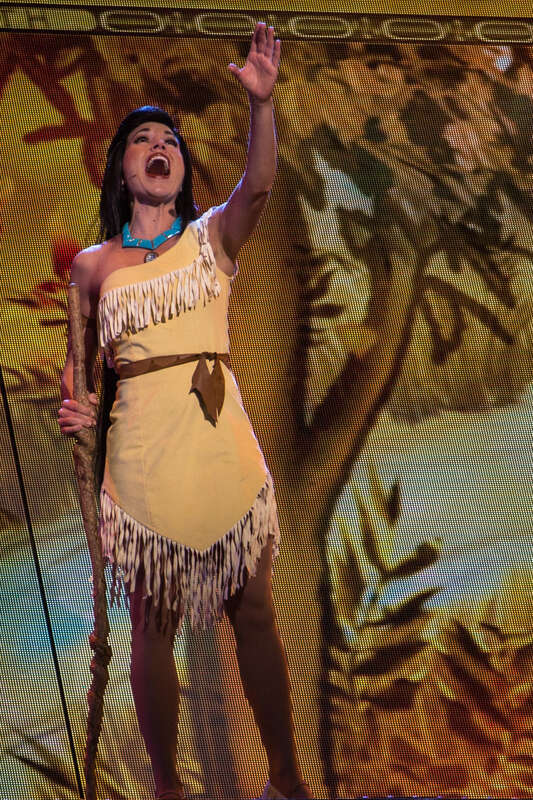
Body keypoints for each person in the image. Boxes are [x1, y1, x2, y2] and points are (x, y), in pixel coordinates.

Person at [58, 22, 312, 800]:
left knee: (257, 609)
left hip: (215, 433)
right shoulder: (92, 267)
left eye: (169, 138)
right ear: (124, 168)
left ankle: (284, 777)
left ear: (179, 165)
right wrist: (77, 412)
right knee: (150, 624)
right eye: (144, 141)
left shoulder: (210, 240)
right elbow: (80, 376)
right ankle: (168, 786)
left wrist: (259, 109)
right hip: (142, 446)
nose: (160, 146)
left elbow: (259, 186)